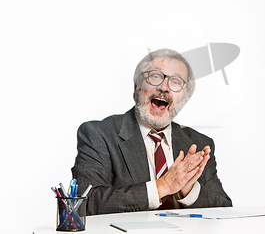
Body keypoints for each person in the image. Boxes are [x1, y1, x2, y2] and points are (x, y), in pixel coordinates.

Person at [72, 48, 232, 215]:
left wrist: (189, 190)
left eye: (176, 81)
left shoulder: (200, 144)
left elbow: (225, 211)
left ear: (185, 98)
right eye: (155, 76)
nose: (164, 87)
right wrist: (163, 185)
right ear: (136, 85)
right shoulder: (98, 134)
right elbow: (85, 203)